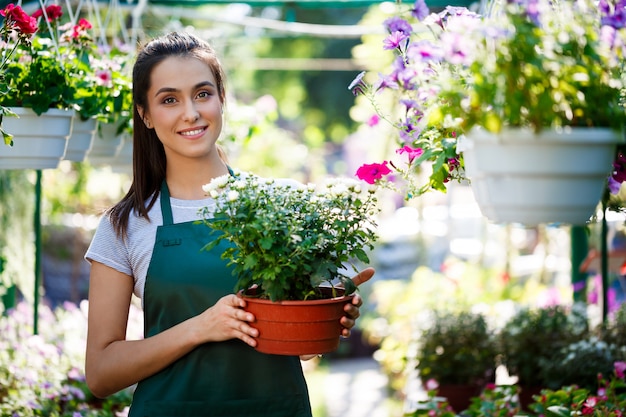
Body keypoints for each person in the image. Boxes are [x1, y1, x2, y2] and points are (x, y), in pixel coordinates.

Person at [84, 31, 375, 417]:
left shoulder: (281, 205)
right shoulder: (126, 225)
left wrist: (323, 316)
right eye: (169, 100)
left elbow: (302, 348)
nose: (191, 113)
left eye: (203, 94)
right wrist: (201, 327)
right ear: (146, 114)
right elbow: (101, 374)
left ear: (221, 98)